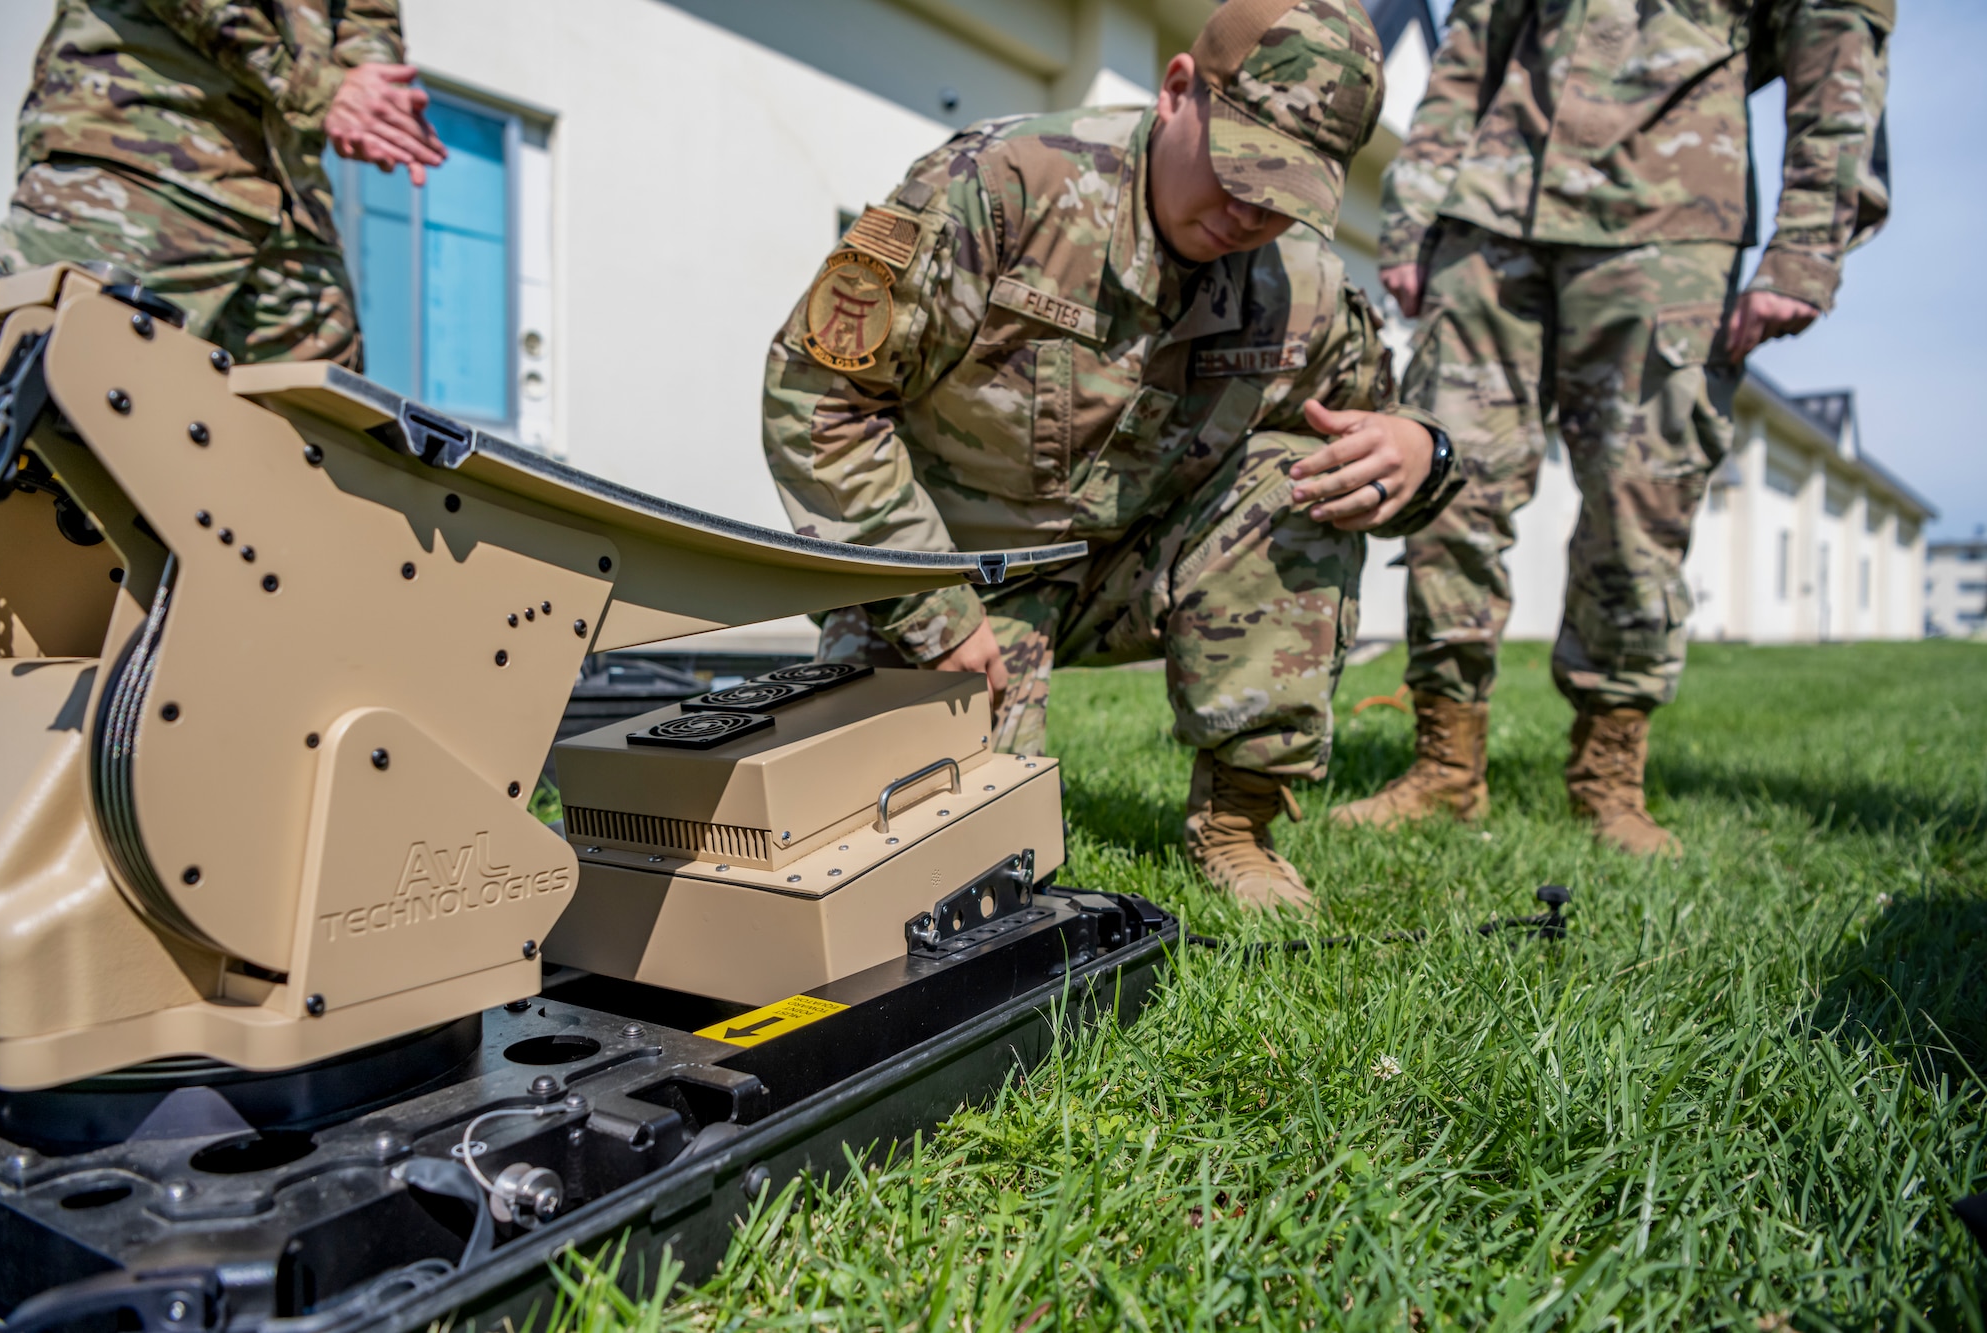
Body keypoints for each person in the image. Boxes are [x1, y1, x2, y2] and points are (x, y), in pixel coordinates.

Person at [762, 0, 1462, 909]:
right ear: (1177, 92)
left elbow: (1380, 438)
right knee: (935, 866)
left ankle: (1238, 823)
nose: (1252, 211)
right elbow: (816, 395)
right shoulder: (998, 188)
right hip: (956, 576)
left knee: (1300, 478)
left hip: (1134, 570)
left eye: (1286, 190)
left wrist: (1422, 451)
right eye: (1241, 165)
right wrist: (934, 614)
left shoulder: (1302, 287)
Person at [1337, 0, 1892, 854]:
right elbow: (1471, 39)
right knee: (1449, 478)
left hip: (1671, 210)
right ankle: (1446, 764)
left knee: (1643, 498)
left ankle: (1609, 775)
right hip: (1494, 202)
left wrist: (1808, 242)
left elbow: (1836, 32)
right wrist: (1411, 211)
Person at [0, 0, 446, 369]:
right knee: (42, 404)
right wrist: (318, 89)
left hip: (289, 206)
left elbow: (367, 13)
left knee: (321, 448)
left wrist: (371, 84)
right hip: (139, 171)